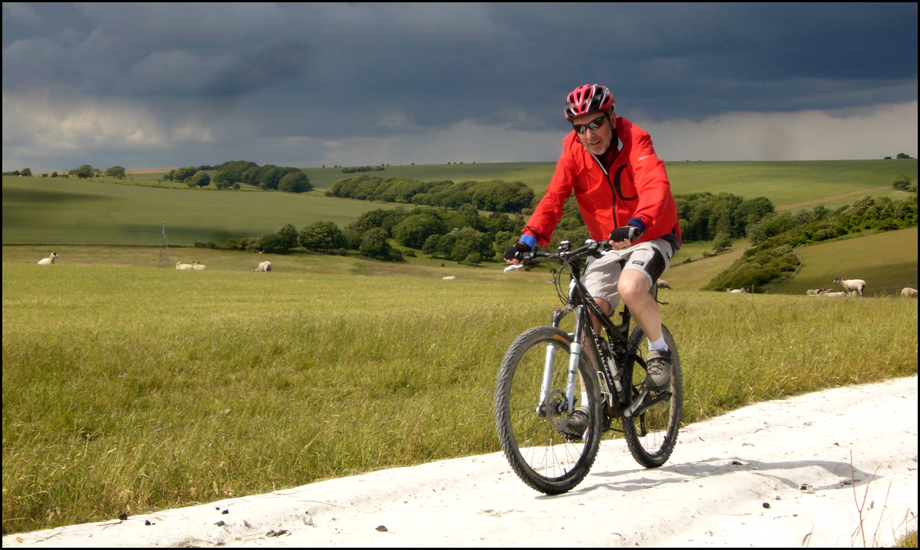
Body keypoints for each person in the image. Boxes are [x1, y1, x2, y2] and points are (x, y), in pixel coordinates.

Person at [503, 84, 681, 438]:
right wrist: (528, 238)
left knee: (630, 287)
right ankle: (591, 402)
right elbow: (555, 197)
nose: (589, 133)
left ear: (612, 117)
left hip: (652, 233)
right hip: (608, 243)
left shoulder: (636, 139)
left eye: (595, 123)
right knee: (587, 308)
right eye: (580, 127)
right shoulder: (573, 149)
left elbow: (654, 185)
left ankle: (660, 351)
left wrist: (638, 223)